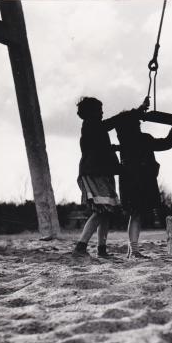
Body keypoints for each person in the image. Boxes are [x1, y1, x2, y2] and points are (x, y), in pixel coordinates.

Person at [105, 98, 172, 258]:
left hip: (128, 182)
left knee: (135, 215)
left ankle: (132, 250)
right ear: (134, 125)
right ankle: (133, 251)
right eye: (138, 123)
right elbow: (166, 144)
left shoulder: (124, 141)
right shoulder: (143, 139)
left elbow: (118, 121)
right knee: (136, 215)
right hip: (141, 182)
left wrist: (139, 110)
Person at [72, 97, 121, 258]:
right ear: (91, 112)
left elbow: (103, 147)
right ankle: (81, 246)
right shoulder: (92, 125)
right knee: (102, 210)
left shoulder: (93, 128)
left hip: (100, 171)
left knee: (106, 211)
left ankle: (101, 249)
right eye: (99, 109)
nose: (102, 112)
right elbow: (109, 124)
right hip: (94, 172)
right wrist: (131, 114)